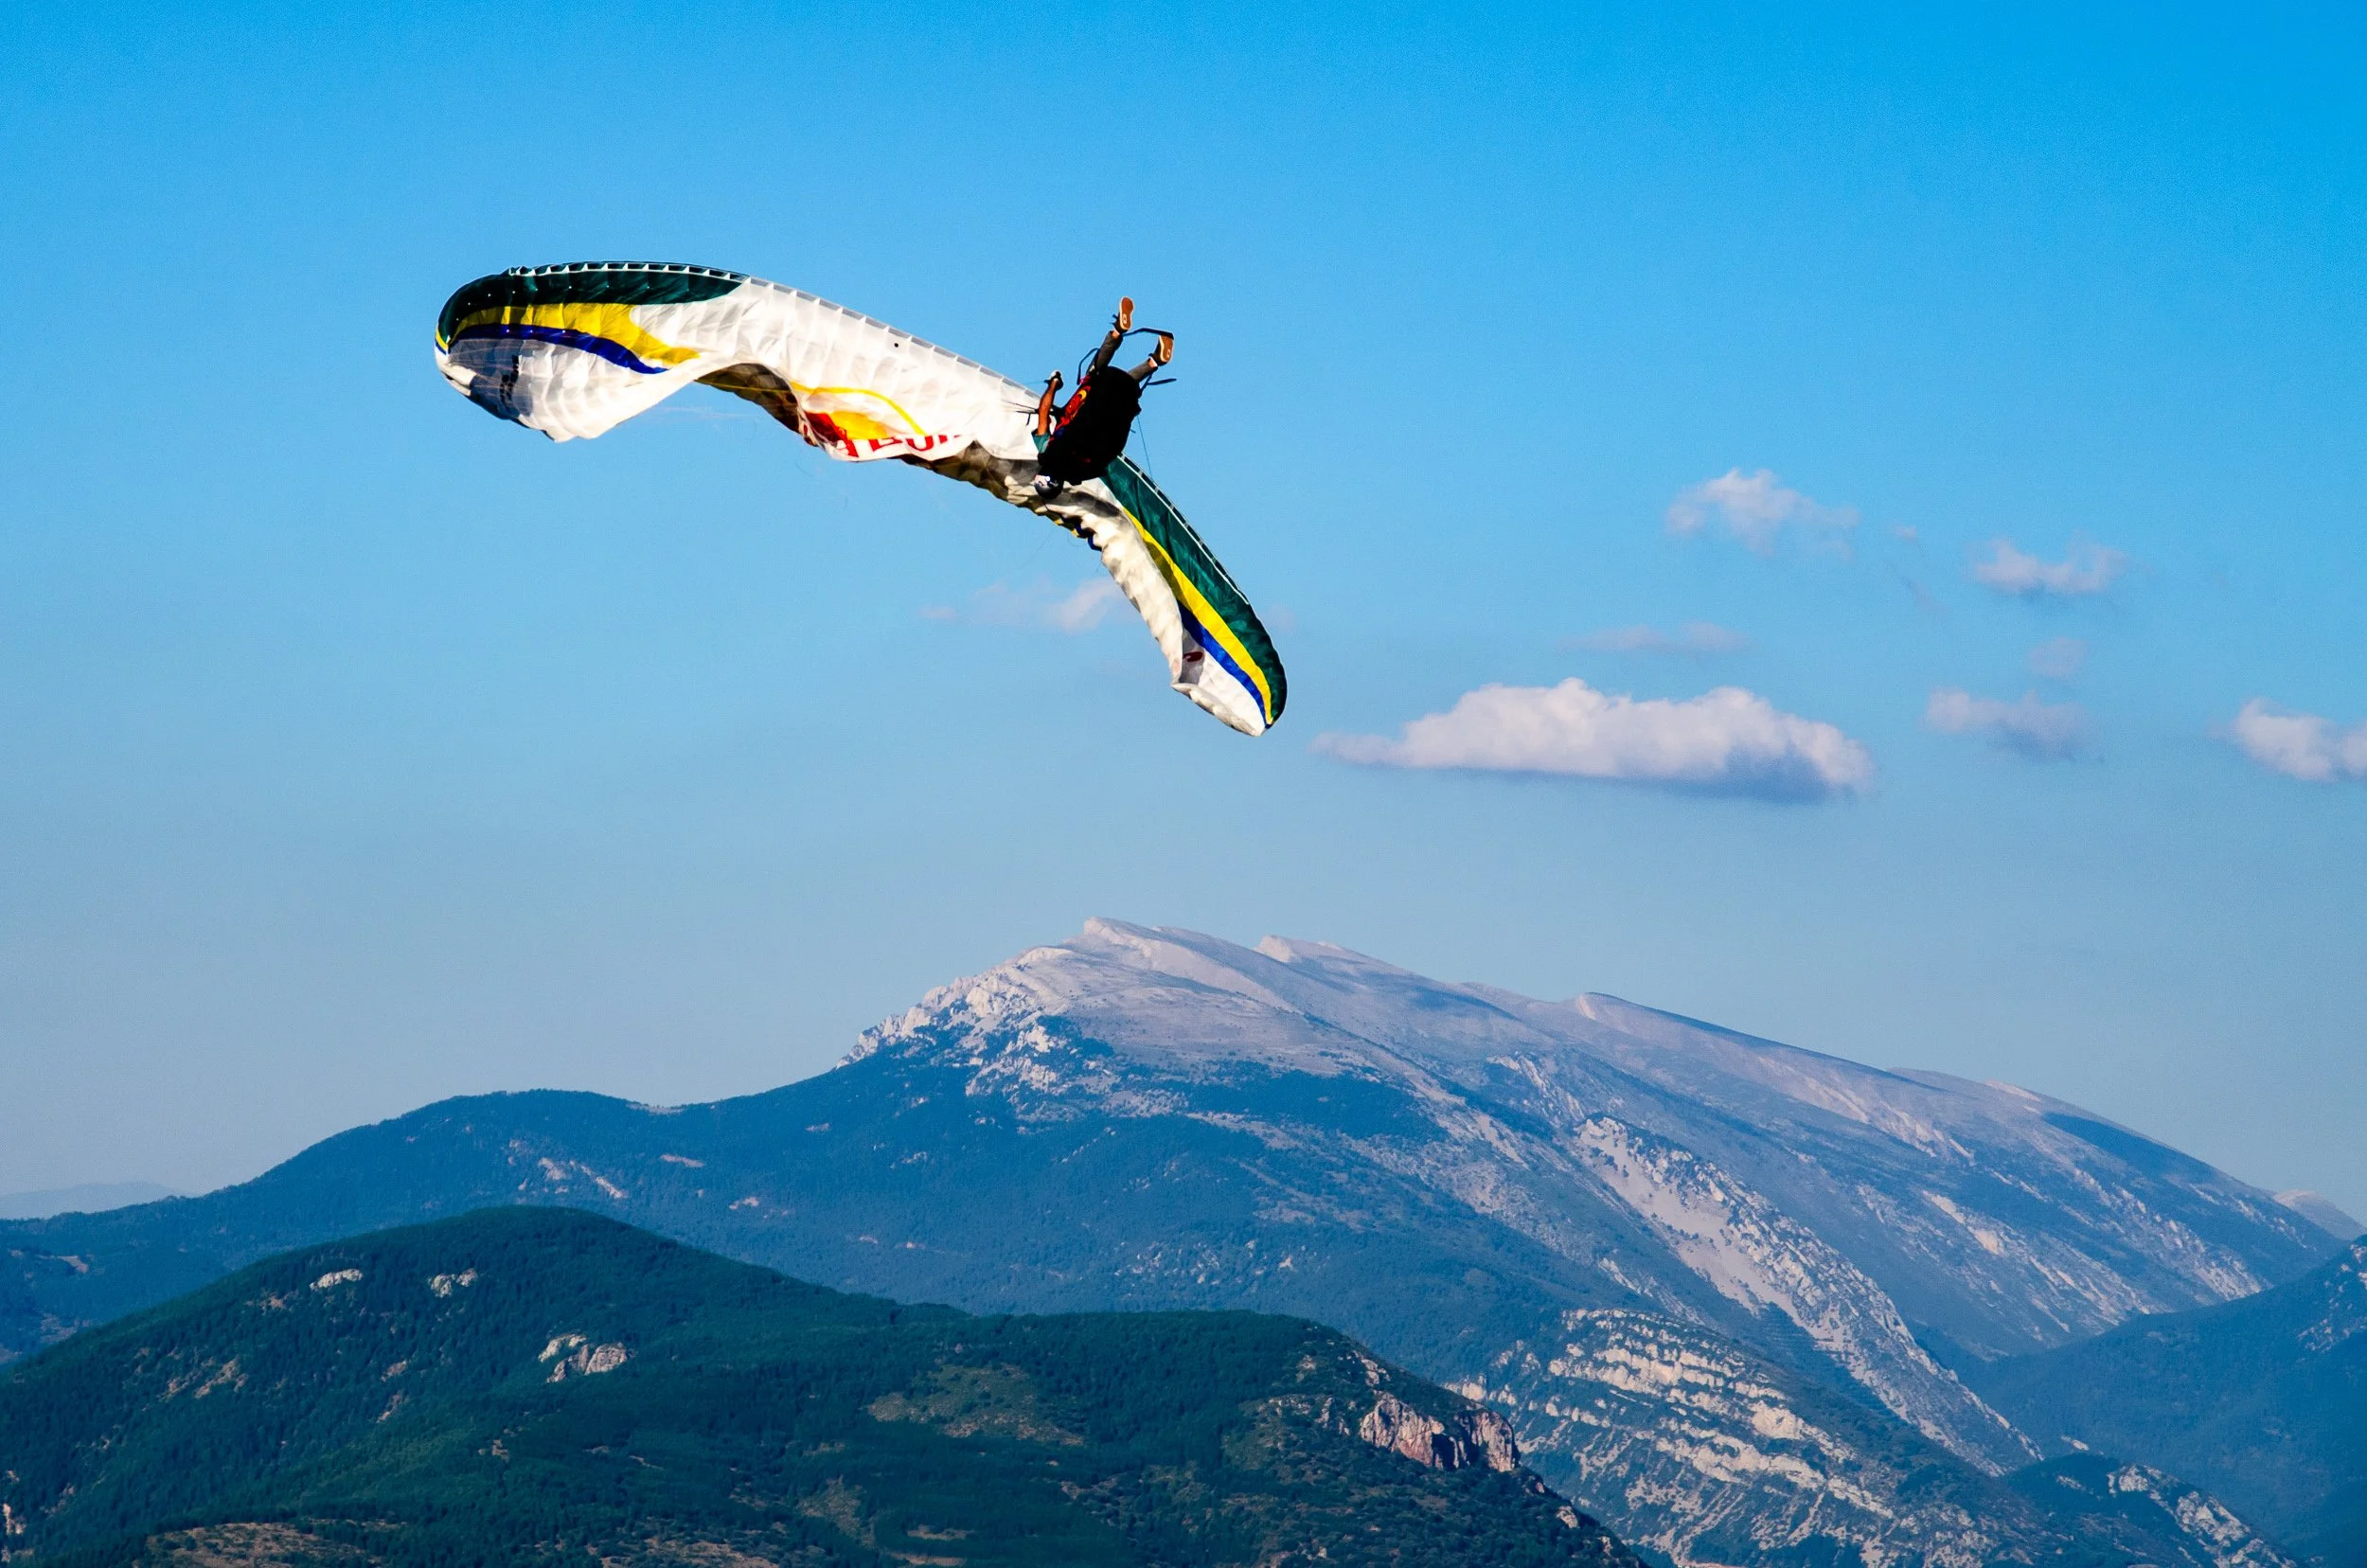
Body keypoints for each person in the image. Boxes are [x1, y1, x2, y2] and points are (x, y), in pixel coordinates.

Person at [1032, 296, 1173, 495]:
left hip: (1119, 414)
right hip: (1091, 406)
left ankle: (1155, 362)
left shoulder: (1084, 472)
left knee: (1120, 388)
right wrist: (1054, 383)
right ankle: (1118, 331)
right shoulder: (1046, 451)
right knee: (1094, 374)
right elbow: (1043, 413)